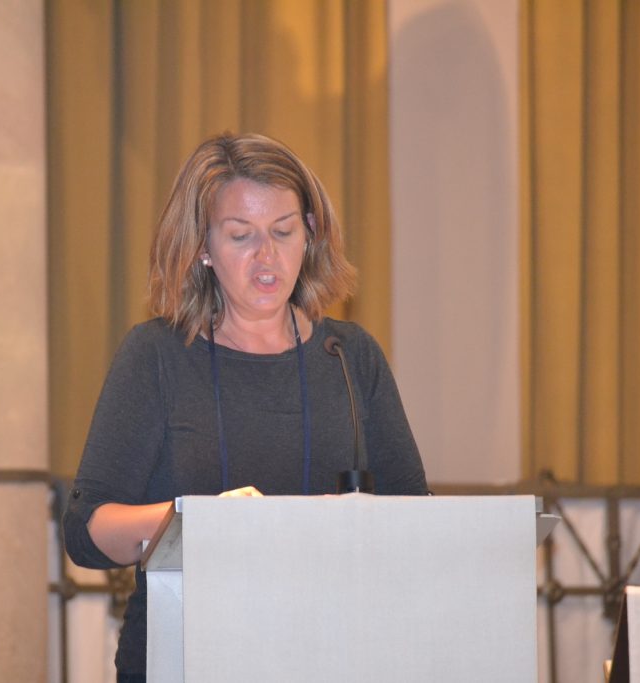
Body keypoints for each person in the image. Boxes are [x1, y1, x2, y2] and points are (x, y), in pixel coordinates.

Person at [63, 132, 428, 681]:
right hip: (185, 656)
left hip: (334, 654)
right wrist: (199, 522)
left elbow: (417, 520)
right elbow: (86, 530)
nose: (267, 256)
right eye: (241, 236)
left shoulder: (349, 359)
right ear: (203, 247)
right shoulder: (157, 356)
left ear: (309, 235)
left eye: (284, 231)